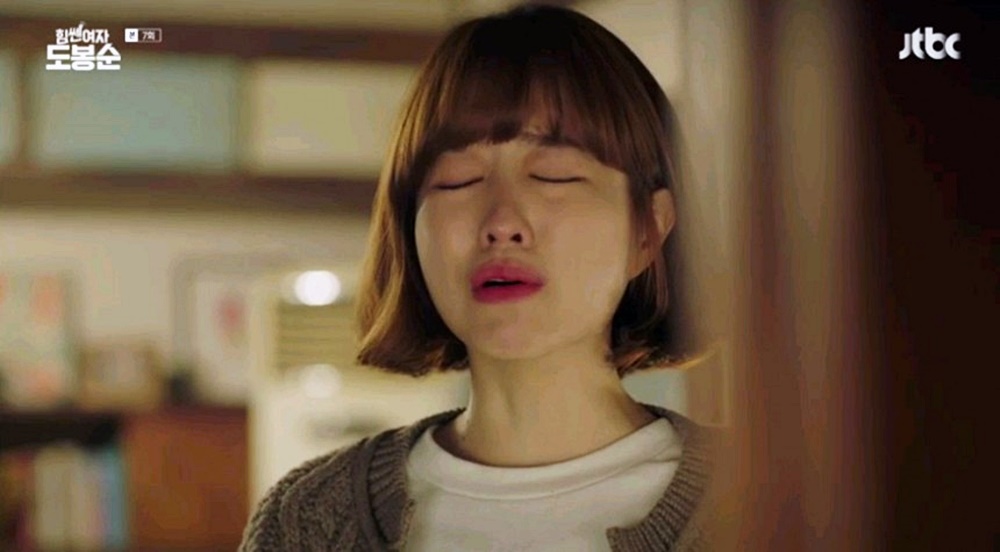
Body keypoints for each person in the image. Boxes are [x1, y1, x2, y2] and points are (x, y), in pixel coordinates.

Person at [240, 3, 722, 551]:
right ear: (410, 229)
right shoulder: (305, 521)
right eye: (458, 180)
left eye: (554, 176)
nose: (502, 223)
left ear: (648, 230)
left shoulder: (767, 501)